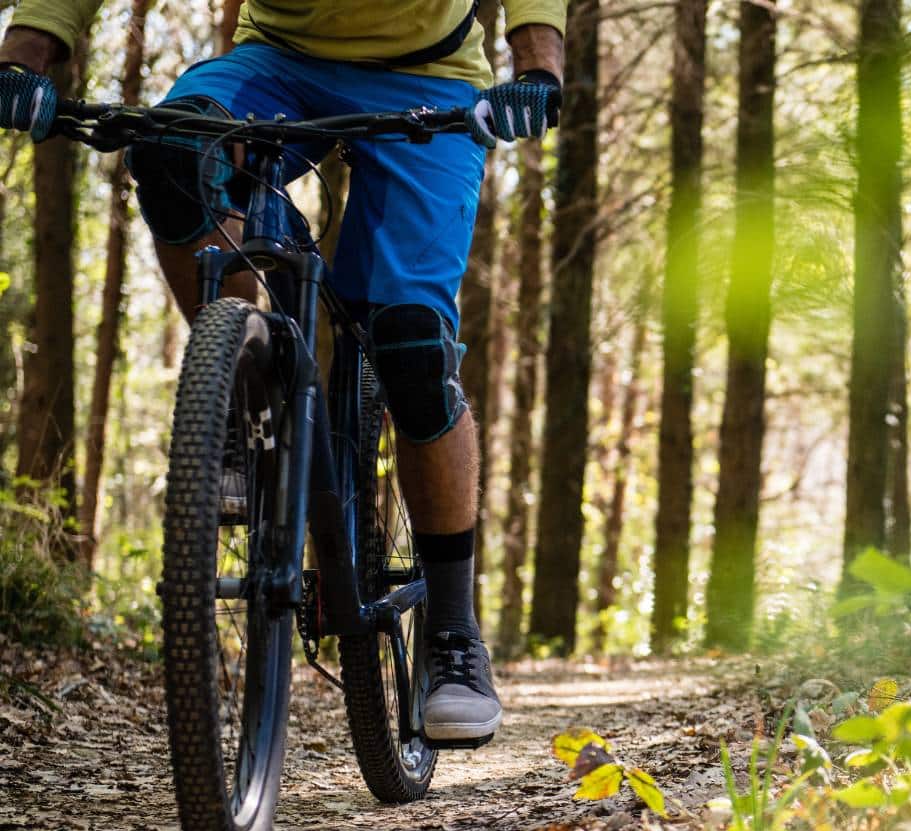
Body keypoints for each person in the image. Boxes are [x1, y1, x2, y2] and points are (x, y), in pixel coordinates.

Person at [0, 0, 564, 745]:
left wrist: (537, 65)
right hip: (276, 63)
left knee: (412, 347)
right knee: (173, 155)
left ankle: (453, 637)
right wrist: (26, 54)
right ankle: (244, 389)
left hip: (430, 73)